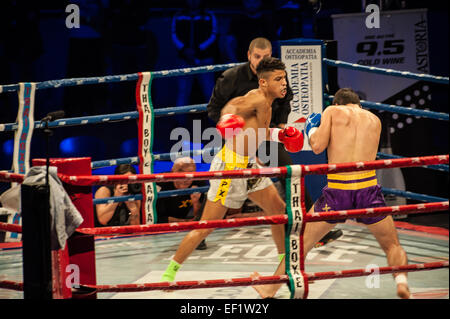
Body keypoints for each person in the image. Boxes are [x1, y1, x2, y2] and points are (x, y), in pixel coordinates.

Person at [251, 88, 411, 299]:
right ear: (358, 104)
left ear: (337, 103)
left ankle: (270, 289)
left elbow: (317, 146)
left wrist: (310, 128)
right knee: (392, 244)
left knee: (301, 243)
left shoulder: (333, 112)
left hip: (339, 191)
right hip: (368, 190)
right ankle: (401, 282)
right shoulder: (374, 120)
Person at [161, 57, 304, 282]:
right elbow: (233, 106)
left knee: (278, 211)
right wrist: (228, 119)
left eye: (284, 78)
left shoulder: (267, 103)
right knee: (207, 226)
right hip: (229, 167)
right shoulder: (255, 98)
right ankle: (169, 273)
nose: (284, 83)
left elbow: (261, 132)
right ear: (264, 82)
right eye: (278, 79)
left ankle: (282, 265)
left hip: (248, 165)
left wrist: (281, 135)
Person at [207, 37, 342, 246]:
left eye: (266, 56)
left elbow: (286, 100)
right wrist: (231, 127)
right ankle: (201, 230)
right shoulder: (231, 78)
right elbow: (215, 108)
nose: (262, 60)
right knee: (221, 191)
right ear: (249, 56)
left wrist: (280, 128)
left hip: (267, 132)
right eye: (258, 56)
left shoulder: (277, 77)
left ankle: (314, 232)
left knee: (292, 172)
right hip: (239, 138)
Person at [156, 157, 208, 250]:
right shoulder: (161, 183)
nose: (187, 179)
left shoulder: (199, 183)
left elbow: (202, 217)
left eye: (191, 174)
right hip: (164, 234)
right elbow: (158, 219)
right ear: (173, 172)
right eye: (182, 173)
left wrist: (196, 203)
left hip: (187, 230)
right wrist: (186, 223)